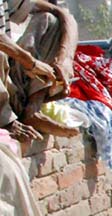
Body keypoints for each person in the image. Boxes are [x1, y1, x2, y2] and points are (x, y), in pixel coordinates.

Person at [0, 0, 78, 140]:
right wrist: (32, 63)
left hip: (6, 80)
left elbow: (65, 15)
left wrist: (65, 59)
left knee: (50, 20)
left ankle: (32, 109)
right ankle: (6, 119)